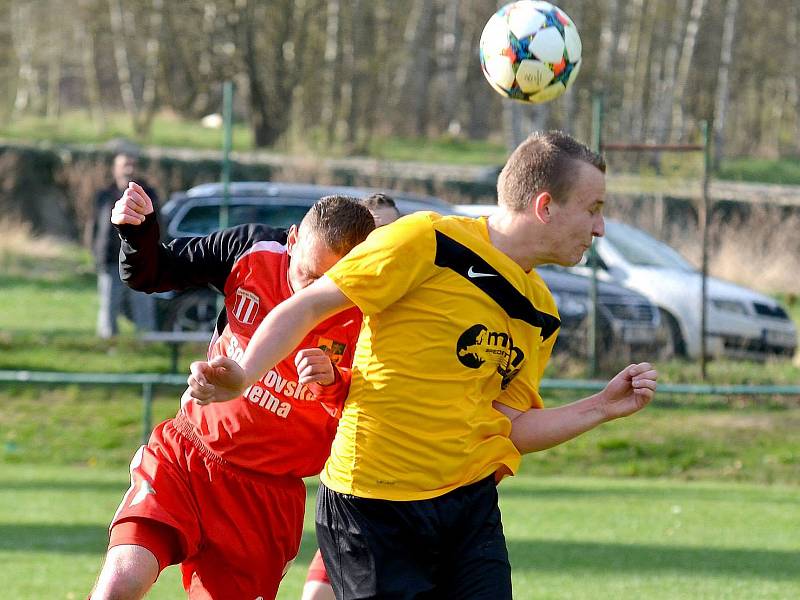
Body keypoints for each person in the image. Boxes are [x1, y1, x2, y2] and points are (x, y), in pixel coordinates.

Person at [185, 131, 659, 599]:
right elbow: (310, 305)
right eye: (593, 209)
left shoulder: (541, 314)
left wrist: (601, 407)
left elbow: (510, 425)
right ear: (546, 206)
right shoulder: (428, 240)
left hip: (467, 507)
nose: (599, 228)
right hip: (371, 508)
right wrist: (244, 374)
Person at [90, 186, 375, 600]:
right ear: (292, 240)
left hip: (265, 498)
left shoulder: (375, 313)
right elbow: (155, 270)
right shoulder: (252, 250)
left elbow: (379, 413)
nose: (317, 292)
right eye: (309, 275)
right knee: (122, 580)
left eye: (333, 282)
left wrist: (335, 384)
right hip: (188, 456)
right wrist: (138, 232)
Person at [300, 192, 401, 600]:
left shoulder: (421, 308)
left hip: (418, 497)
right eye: (374, 236)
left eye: (392, 234)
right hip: (356, 492)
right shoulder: (334, 310)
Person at [93, 151, 158, 338]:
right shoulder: (104, 195)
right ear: (115, 169)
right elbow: (95, 226)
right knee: (109, 305)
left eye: (132, 165)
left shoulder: (148, 195)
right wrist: (96, 252)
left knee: (143, 304)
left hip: (141, 260)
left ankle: (146, 342)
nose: (129, 169)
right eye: (124, 165)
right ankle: (108, 341)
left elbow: (158, 223)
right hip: (111, 259)